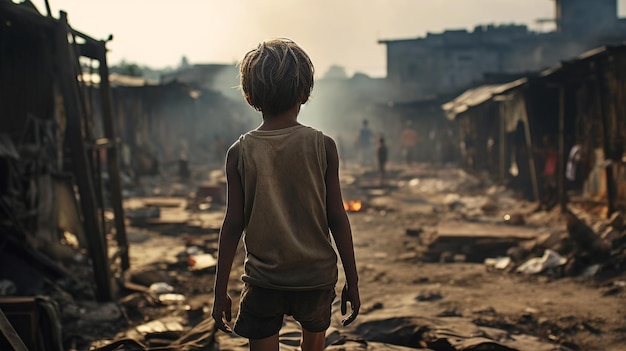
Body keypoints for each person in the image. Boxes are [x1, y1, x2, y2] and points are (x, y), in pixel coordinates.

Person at [212, 38, 360, 351]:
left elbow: (232, 226)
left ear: (250, 97)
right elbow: (337, 216)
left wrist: (220, 291)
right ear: (305, 93)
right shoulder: (324, 146)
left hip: (264, 281)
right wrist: (353, 281)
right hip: (316, 278)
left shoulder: (239, 152)